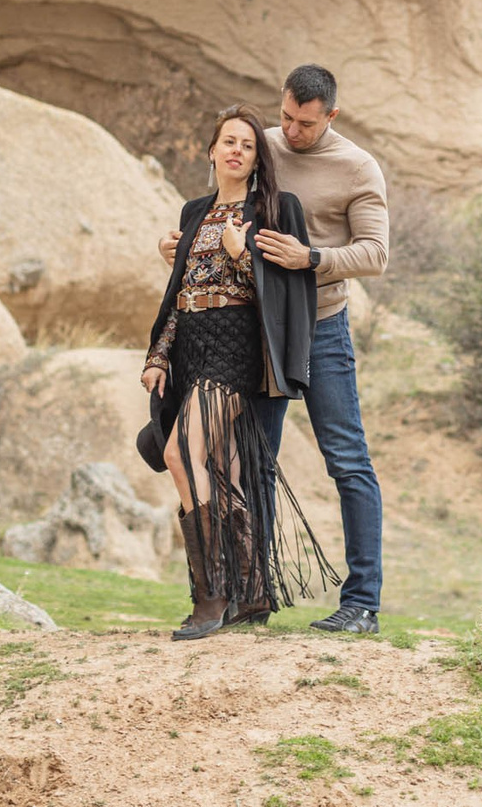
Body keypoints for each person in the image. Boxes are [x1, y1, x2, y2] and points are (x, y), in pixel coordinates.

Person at [165, 64, 389, 634]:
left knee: (346, 461)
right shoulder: (261, 143)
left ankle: (361, 602)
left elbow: (375, 254)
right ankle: (251, 595)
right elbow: (222, 203)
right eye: (285, 116)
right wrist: (184, 241)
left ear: (330, 116)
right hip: (261, 330)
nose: (290, 131)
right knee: (255, 461)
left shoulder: (357, 168)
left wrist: (310, 258)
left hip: (320, 326)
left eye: (305, 123)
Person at [138, 105, 334, 640]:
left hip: (236, 343)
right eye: (228, 141)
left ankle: (211, 596)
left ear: (256, 159)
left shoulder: (273, 208)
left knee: (182, 452)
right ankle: (250, 593)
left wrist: (242, 253)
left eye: (247, 145)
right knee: (222, 468)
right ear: (211, 151)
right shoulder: (193, 212)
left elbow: (285, 292)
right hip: (192, 346)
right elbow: (179, 291)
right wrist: (159, 356)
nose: (236, 151)